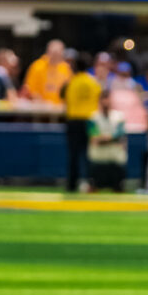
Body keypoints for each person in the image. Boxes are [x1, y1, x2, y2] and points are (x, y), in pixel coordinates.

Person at [61, 52, 101, 192]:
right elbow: (99, 99)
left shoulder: (72, 81)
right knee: (91, 154)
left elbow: (63, 97)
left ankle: (72, 184)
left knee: (73, 155)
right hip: (90, 121)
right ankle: (92, 182)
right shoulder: (93, 82)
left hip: (74, 121)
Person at [87, 91, 128, 192]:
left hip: (114, 159)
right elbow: (94, 137)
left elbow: (120, 134)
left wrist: (104, 139)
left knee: (118, 188)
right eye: (103, 99)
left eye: (107, 99)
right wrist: (111, 139)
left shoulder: (119, 117)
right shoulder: (93, 117)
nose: (105, 102)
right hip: (98, 159)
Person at [23, 39, 71, 104]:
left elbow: (69, 88)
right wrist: (42, 102)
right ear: (48, 52)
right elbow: (29, 88)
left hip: (60, 108)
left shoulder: (65, 68)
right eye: (54, 53)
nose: (55, 57)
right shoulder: (37, 66)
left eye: (58, 54)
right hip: (41, 109)